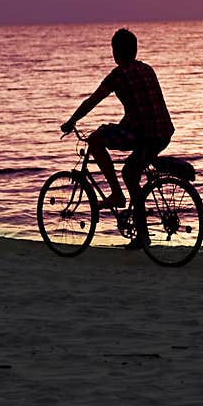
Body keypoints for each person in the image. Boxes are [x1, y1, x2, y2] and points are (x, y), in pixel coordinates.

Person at [60, 27, 174, 250]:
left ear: (117, 52)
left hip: (144, 134)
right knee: (131, 172)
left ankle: (118, 198)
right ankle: (140, 231)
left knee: (97, 142)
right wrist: (122, 125)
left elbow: (93, 100)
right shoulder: (146, 69)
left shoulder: (119, 74)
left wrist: (71, 121)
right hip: (163, 133)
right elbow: (141, 107)